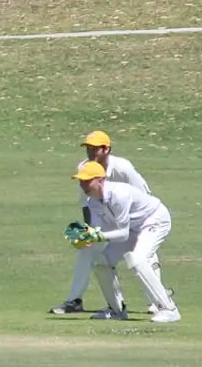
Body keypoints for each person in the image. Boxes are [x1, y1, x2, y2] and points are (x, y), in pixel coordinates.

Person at [51, 130, 151, 316]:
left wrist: (140, 226)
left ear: (107, 149)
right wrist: (89, 233)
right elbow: (86, 204)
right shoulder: (85, 169)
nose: (91, 152)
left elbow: (144, 196)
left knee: (144, 255)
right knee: (87, 251)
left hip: (135, 220)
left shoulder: (123, 168)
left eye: (95, 148)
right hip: (104, 220)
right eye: (88, 148)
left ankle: (154, 304)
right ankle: (75, 301)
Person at [75, 161, 180, 322]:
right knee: (101, 261)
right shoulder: (93, 202)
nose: (83, 185)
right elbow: (97, 229)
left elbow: (122, 234)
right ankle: (117, 310)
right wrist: (85, 238)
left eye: (87, 181)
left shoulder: (119, 195)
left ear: (101, 180)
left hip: (154, 220)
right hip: (133, 227)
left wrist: (98, 236)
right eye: (81, 181)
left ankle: (169, 309)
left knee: (137, 259)